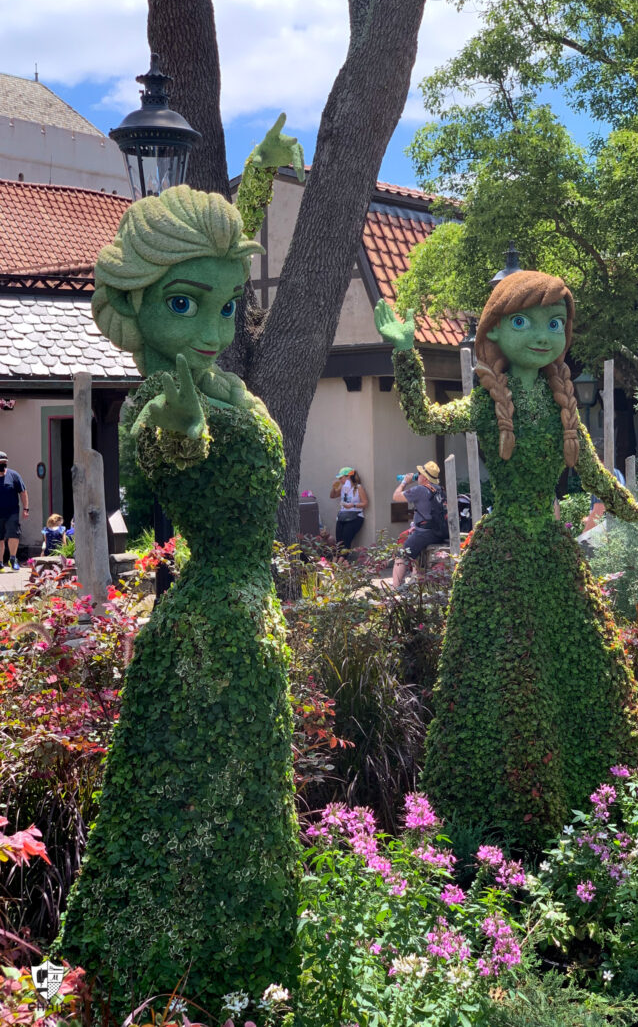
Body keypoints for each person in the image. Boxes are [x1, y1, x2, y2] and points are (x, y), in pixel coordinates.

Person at [58, 182, 301, 1009]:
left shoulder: (227, 387)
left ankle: (248, 975)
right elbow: (163, 473)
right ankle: (177, 978)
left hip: (246, 612)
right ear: (138, 307)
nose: (210, 332)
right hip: (209, 627)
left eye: (224, 307)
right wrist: (181, 432)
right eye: (186, 305)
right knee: (193, 798)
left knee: (244, 806)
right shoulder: (155, 408)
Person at [375, 271, 638, 851]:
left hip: (554, 551)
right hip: (504, 554)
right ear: (495, 331)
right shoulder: (491, 404)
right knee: (509, 666)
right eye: (524, 322)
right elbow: (425, 420)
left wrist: (634, 510)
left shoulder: (565, 410)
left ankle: (602, 792)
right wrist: (406, 353)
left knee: (583, 658)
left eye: (554, 323)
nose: (542, 335)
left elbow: (589, 470)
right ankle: (498, 806)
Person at [392, 460, 447, 588]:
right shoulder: (439, 489)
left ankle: (395, 587)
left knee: (401, 554)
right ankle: (416, 579)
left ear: (424, 477)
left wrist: (405, 482)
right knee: (413, 543)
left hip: (425, 532)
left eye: (419, 473)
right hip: (438, 531)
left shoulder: (420, 490)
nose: (418, 475)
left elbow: (396, 496)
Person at [0, 450, 29, 571]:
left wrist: (26, 508)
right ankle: (0, 563)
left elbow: (23, 492)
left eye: (4, 462)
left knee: (13, 535)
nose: (2, 465)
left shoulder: (14, 475)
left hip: (12, 512)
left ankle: (13, 559)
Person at [330, 466, 368, 549]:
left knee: (346, 541)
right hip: (343, 516)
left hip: (355, 516)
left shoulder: (358, 487)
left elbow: (365, 503)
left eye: (341, 478)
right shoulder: (343, 487)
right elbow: (332, 496)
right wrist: (334, 487)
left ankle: (342, 560)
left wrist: (353, 505)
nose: (340, 480)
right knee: (339, 542)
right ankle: (337, 560)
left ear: (348, 476)